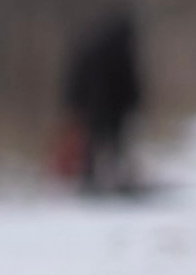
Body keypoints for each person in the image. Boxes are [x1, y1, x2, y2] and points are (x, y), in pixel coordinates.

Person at [59, 10, 145, 196]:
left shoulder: (101, 46)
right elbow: (116, 82)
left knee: (104, 140)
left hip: (101, 106)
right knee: (100, 140)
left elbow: (126, 81)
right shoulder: (106, 49)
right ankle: (94, 177)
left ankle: (104, 176)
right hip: (99, 105)